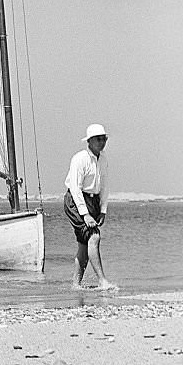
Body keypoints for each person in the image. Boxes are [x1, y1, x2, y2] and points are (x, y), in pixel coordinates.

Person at [64, 124, 117, 291]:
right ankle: (102, 281)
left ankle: (75, 285)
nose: (102, 142)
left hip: (93, 201)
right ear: (90, 141)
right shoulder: (80, 159)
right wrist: (85, 214)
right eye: (99, 139)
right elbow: (75, 188)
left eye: (104, 139)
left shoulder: (104, 158)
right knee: (94, 237)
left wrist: (103, 210)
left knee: (84, 244)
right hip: (76, 200)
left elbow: (105, 186)